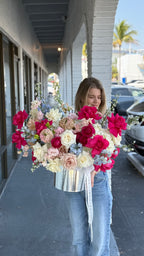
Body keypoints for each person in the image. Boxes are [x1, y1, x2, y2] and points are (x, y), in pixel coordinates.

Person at [64, 77, 113, 256]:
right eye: (91, 96)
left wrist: (96, 170)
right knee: (79, 238)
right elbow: (61, 149)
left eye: (98, 97)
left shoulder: (104, 123)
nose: (95, 101)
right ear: (82, 97)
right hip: (74, 184)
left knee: (100, 239)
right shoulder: (69, 122)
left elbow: (110, 154)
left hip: (97, 182)